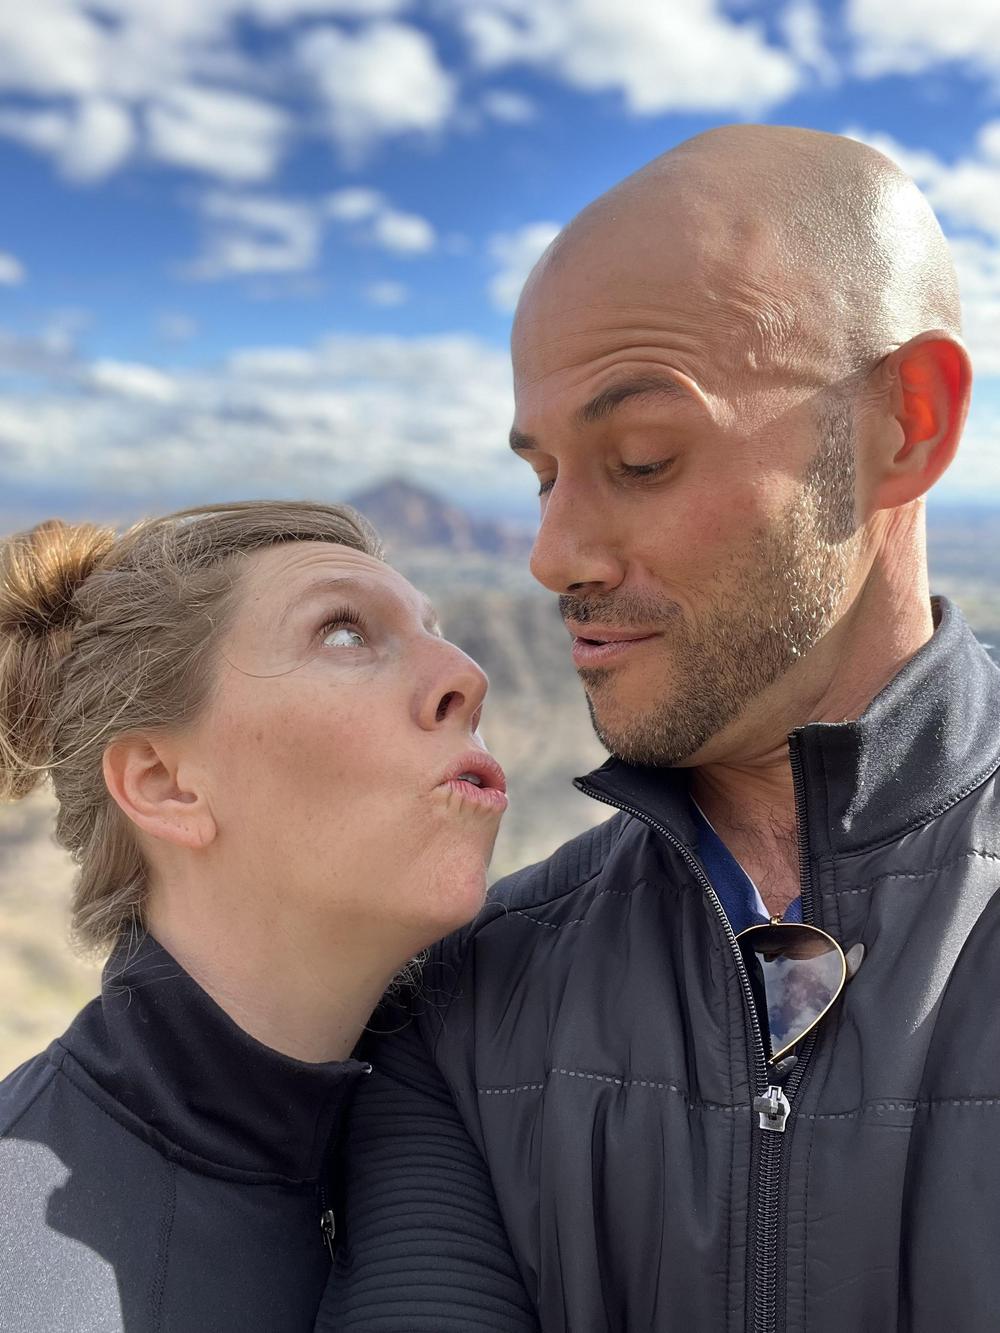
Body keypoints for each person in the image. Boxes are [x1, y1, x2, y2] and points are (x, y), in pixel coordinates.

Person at [322, 126, 1000, 1332]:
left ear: (906, 422)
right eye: (543, 474)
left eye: (640, 459)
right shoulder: (463, 1000)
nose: (552, 555)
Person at [0, 500, 534, 1331]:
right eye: (344, 633)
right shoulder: (24, 1262)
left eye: (435, 629)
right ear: (164, 783)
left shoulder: (506, 1127)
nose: (467, 674)